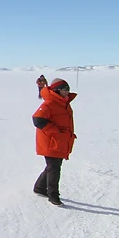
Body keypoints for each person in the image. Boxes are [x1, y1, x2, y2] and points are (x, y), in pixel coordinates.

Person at [32, 78, 76, 206]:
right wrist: (56, 132)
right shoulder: (49, 104)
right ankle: (53, 196)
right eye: (65, 89)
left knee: (52, 166)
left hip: (60, 140)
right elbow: (38, 120)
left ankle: (39, 187)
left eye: (68, 89)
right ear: (57, 90)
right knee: (54, 169)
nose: (67, 92)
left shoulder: (63, 102)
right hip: (51, 141)